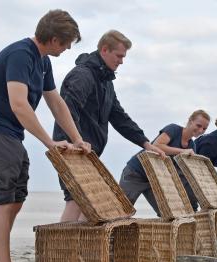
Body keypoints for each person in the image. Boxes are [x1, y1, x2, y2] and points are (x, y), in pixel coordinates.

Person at [0, 10, 91, 262]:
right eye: (66, 43)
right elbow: (19, 104)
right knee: (1, 200)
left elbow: (56, 103)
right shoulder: (21, 54)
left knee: (14, 199)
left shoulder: (43, 61)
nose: (68, 48)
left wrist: (77, 139)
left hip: (11, 134)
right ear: (52, 39)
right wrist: (50, 142)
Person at [53, 30, 164, 222]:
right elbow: (67, 111)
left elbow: (119, 117)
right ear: (105, 50)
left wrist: (145, 143)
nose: (121, 61)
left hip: (89, 153)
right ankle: (58, 251)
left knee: (90, 208)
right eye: (119, 55)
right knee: (76, 201)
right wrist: (73, 143)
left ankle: (79, 251)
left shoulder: (106, 82)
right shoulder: (83, 75)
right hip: (72, 150)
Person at [119, 110, 211, 215]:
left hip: (155, 179)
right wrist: (182, 151)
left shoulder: (192, 145)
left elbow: (181, 172)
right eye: (198, 125)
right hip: (136, 172)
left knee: (168, 214)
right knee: (121, 210)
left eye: (204, 128)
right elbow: (156, 146)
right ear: (190, 121)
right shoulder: (173, 129)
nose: (201, 130)